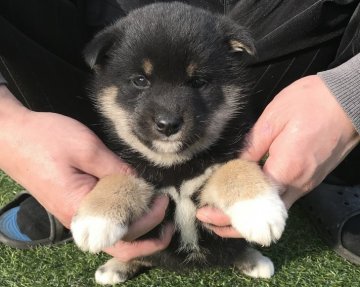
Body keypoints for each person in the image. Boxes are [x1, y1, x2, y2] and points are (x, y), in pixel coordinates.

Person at [0, 0, 359, 265]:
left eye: (198, 81)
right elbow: (127, 181)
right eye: (140, 81)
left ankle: (340, 172)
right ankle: (66, 177)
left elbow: (228, 169)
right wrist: (8, 126)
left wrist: (350, 93)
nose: (168, 115)